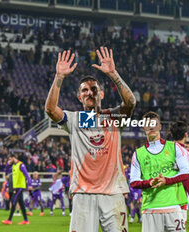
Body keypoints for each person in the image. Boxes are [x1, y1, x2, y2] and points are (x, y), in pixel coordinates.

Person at [45, 47, 136, 232]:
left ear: (101, 94)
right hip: (83, 193)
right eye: (85, 90)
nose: (89, 93)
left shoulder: (113, 117)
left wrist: (113, 73)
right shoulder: (75, 119)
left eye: (94, 89)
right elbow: (50, 109)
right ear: (80, 97)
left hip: (113, 193)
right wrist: (59, 77)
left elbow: (130, 103)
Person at [130, 112, 189, 232]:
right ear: (144, 128)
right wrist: (149, 183)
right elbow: (134, 182)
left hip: (173, 207)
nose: (151, 127)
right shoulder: (138, 154)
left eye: (154, 124)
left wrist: (167, 180)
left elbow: (186, 174)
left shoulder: (174, 148)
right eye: (148, 124)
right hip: (150, 209)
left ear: (160, 126)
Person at [169, 121, 189, 232]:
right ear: (186, 135)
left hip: (165, 196)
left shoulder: (165, 150)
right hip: (180, 196)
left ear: (171, 134)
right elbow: (186, 178)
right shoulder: (184, 152)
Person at [1, 154, 32, 225]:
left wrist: (29, 185)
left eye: (9, 159)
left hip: (20, 187)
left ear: (13, 158)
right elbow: (7, 171)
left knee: (13, 201)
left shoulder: (21, 165)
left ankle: (9, 220)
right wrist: (7, 164)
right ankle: (26, 220)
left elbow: (27, 175)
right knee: (21, 204)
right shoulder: (14, 166)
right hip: (16, 187)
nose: (9, 161)